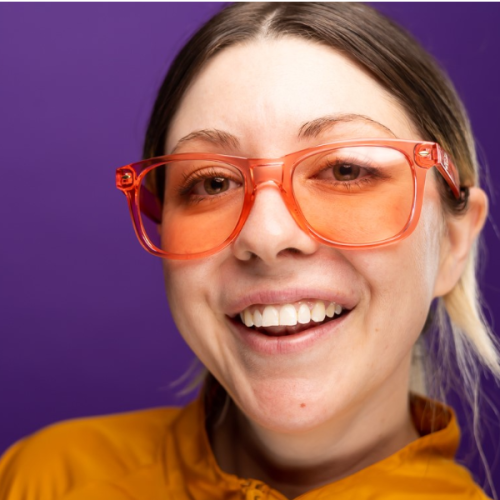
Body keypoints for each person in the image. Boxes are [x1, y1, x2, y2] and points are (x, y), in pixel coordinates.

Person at [1, 1, 498, 499]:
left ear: (454, 243)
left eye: (345, 171)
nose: (265, 235)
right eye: (213, 182)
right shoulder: (40, 481)